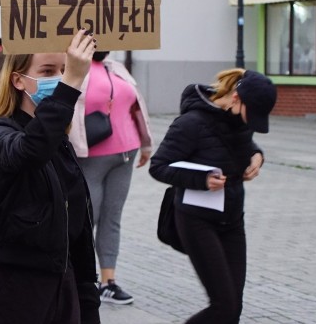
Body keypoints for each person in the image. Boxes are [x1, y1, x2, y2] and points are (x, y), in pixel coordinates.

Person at [0, 30, 100, 324]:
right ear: (18, 79)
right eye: (47, 71)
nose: (58, 77)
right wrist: (70, 83)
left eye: (62, 70)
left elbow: (78, 232)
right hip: (16, 291)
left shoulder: (59, 142)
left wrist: (87, 299)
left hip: (63, 286)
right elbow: (28, 152)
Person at [149, 69, 276, 324]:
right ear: (236, 97)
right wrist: (201, 179)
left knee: (233, 308)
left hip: (232, 220)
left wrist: (257, 156)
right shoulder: (191, 123)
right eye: (250, 115)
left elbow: (242, 145)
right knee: (223, 307)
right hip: (197, 220)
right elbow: (158, 166)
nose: (249, 123)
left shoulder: (239, 120)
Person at [68, 51, 152, 304]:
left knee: (112, 218)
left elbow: (137, 105)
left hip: (126, 152)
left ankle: (108, 281)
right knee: (85, 220)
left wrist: (146, 144)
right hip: (91, 154)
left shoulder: (115, 66)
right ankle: (75, 278)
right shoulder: (74, 66)